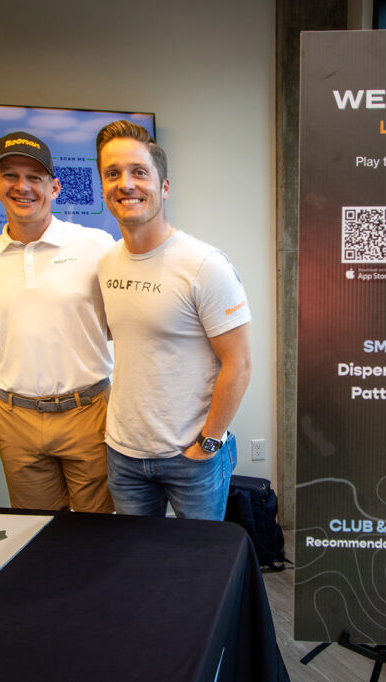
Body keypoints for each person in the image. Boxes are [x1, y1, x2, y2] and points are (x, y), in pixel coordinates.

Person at [95, 120, 252, 520]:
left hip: (191, 458)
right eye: (112, 173)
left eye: (139, 172)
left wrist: (209, 443)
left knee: (199, 558)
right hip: (124, 456)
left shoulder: (204, 265)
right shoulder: (106, 263)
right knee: (135, 556)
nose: (125, 184)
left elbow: (239, 364)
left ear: (164, 187)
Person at [0, 131, 115, 513]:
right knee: (38, 530)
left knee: (99, 530)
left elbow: (122, 322)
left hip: (88, 410)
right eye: (11, 176)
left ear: (54, 187)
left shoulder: (96, 246)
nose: (23, 187)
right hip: (17, 417)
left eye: (35, 177)